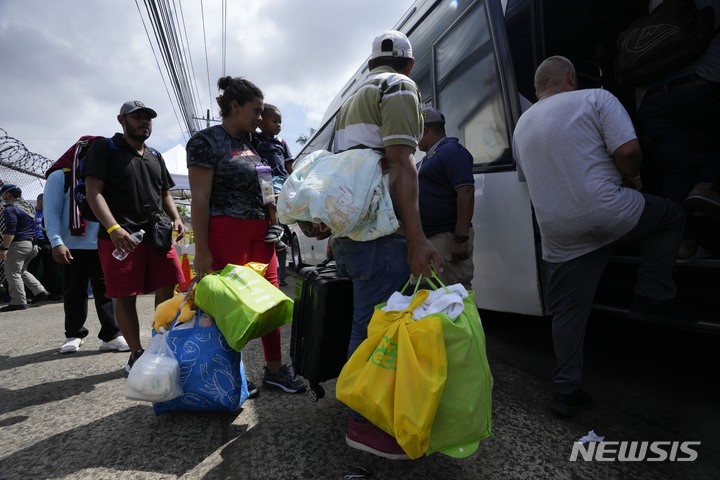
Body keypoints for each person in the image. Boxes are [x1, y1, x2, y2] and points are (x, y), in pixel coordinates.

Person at [512, 56, 685, 416]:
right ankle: (651, 296)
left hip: (560, 235)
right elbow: (628, 151)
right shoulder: (597, 98)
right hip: (611, 213)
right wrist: (635, 182)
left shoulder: (521, 127)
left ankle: (565, 391)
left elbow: (530, 181)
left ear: (539, 87)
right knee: (670, 216)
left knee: (568, 314)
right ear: (571, 77)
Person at [331, 30, 443, 459]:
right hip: (382, 233)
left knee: (366, 322)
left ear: (371, 61)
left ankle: (365, 409)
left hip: (355, 232)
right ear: (410, 64)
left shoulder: (352, 99)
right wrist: (416, 238)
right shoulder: (398, 86)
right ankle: (364, 423)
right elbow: (400, 162)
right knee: (376, 327)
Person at [187, 76, 306, 397]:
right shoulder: (205, 142)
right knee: (230, 306)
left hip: (261, 235)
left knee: (268, 302)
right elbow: (199, 198)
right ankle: (227, 375)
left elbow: (268, 187)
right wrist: (202, 250)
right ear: (235, 107)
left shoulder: (254, 144)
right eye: (255, 111)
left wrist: (276, 221)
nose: (260, 117)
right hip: (226, 232)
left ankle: (275, 370)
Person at [82, 100, 185, 374]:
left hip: (158, 234)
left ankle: (160, 344)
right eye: (137, 117)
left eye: (148, 118)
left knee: (168, 286)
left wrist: (175, 217)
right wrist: (114, 228)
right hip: (121, 237)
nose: (144, 122)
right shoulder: (105, 148)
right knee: (124, 295)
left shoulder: (155, 155)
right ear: (121, 120)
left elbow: (165, 192)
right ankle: (136, 354)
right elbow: (94, 192)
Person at [636, 0, 720, 257]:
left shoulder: (652, 13)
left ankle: (680, 243)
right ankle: (707, 185)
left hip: (650, 98)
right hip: (700, 81)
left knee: (677, 168)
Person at [44, 148, 129, 354]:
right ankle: (74, 334)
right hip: (71, 245)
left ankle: (111, 334)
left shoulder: (105, 175)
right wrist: (56, 241)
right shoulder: (60, 176)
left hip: (102, 241)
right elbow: (51, 210)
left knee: (107, 290)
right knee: (74, 291)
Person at [417, 106, 475, 290]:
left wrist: (460, 239)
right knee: (439, 297)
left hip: (447, 237)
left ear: (424, 130)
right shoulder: (429, 157)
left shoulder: (451, 151)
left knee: (455, 293)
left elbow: (466, 192)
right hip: (433, 239)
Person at [253, 103, 294, 285]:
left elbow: (289, 166)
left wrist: (294, 182)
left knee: (279, 203)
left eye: (280, 122)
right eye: (274, 121)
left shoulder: (282, 142)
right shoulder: (255, 139)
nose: (278, 125)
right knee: (270, 201)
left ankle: (279, 230)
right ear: (261, 123)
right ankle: (276, 227)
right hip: (264, 177)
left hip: (281, 179)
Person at [0, 184, 50, 311]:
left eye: (3, 195)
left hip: (18, 245)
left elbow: (11, 230)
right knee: (22, 271)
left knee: (12, 272)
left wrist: (4, 248)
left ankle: (18, 301)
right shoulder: (28, 207)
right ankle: (40, 291)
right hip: (32, 245)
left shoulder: (10, 208)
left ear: (8, 195)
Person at [27, 194, 62, 301]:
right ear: (41, 201)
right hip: (35, 242)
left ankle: (52, 291)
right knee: (31, 268)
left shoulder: (48, 213)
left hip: (47, 242)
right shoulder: (31, 212)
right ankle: (31, 293)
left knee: (51, 268)